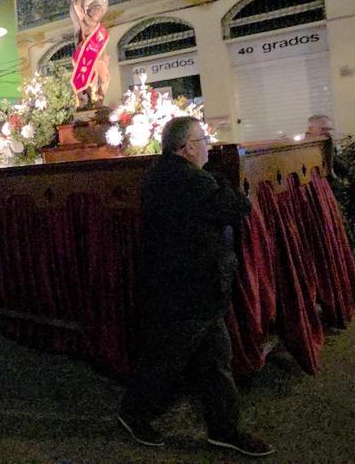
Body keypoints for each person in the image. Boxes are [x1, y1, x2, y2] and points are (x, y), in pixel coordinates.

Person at [116, 116, 274, 458]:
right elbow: (239, 206)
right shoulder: (188, 179)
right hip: (187, 289)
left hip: (191, 286)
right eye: (203, 140)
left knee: (214, 359)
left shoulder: (165, 174)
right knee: (167, 359)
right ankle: (134, 413)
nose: (208, 146)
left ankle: (224, 429)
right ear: (187, 147)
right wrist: (219, 178)